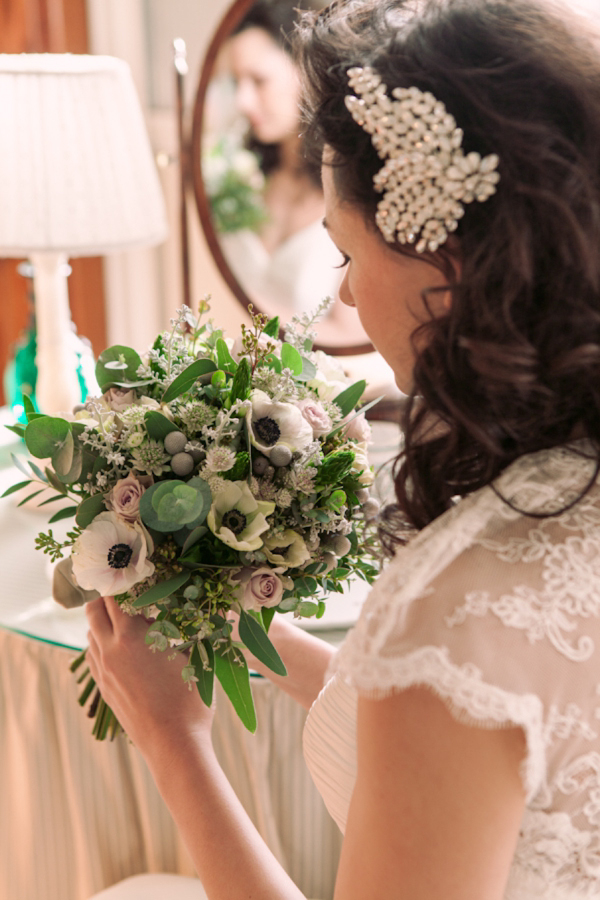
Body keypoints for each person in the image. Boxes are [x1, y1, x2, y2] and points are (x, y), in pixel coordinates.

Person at [86, 0, 600, 896]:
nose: (352, 300)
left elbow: (447, 677)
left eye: (346, 253)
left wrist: (173, 742)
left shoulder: (453, 605)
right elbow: (492, 732)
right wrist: (261, 640)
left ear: (438, 253)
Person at [214, 0, 368, 346]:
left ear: (303, 70)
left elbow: (352, 335)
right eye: (236, 82)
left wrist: (240, 317)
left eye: (258, 80)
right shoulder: (243, 175)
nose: (242, 101)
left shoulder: (348, 180)